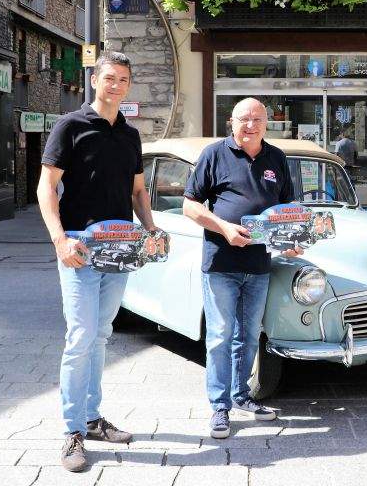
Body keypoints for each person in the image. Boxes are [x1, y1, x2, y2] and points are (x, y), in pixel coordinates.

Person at [37, 52, 158, 472]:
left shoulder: (130, 135)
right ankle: (72, 431)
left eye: (123, 79)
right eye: (110, 78)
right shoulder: (69, 126)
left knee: (101, 334)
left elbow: (138, 191)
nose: (116, 85)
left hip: (119, 251)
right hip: (79, 249)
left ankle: (91, 418)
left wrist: (151, 229)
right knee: (81, 336)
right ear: (94, 80)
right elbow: (46, 188)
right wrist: (59, 240)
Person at [183, 98, 305, 439]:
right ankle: (219, 407)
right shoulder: (214, 154)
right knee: (220, 336)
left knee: (249, 335)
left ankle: (241, 395)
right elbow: (190, 206)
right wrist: (224, 228)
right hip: (221, 263)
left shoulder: (276, 158)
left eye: (257, 119)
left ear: (267, 123)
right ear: (231, 122)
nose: (250, 125)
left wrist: (293, 238)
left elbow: (287, 208)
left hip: (259, 265)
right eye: (243, 119)